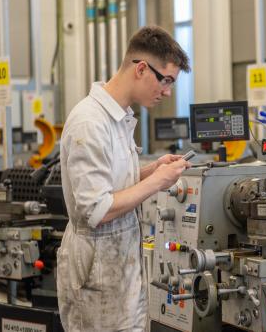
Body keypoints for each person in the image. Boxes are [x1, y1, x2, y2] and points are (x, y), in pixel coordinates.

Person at [57, 26, 191, 331]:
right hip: (97, 269)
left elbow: (115, 183)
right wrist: (157, 182)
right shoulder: (90, 123)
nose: (168, 92)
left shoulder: (117, 119)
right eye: (166, 80)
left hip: (119, 264)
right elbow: (98, 208)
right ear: (141, 69)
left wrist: (152, 169)